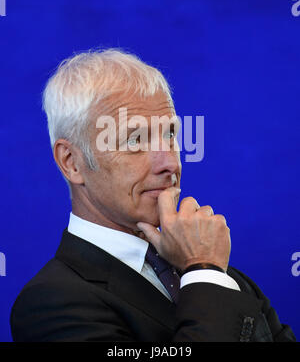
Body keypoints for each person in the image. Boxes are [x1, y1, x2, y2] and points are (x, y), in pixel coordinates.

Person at [10, 49, 296, 342]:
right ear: (71, 162)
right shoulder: (50, 304)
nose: (170, 163)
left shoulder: (227, 279)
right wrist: (205, 271)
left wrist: (205, 271)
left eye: (170, 134)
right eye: (135, 140)